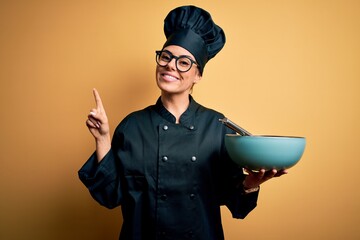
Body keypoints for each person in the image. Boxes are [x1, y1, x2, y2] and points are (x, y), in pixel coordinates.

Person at [79, 5, 287, 240]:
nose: (170, 65)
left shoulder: (218, 127)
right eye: (166, 57)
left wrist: (250, 183)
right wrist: (103, 139)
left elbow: (238, 206)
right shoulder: (131, 126)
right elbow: (109, 196)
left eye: (184, 62)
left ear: (198, 75)